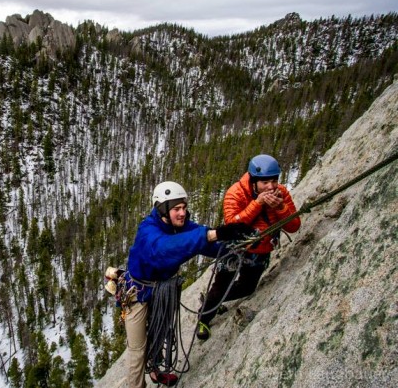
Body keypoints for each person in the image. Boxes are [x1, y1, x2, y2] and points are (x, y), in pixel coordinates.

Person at [124, 181, 254, 387]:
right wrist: (213, 233)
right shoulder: (147, 231)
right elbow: (164, 250)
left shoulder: (181, 226)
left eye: (184, 207)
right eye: (177, 209)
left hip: (163, 290)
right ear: (163, 210)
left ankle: (156, 370)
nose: (182, 213)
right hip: (138, 294)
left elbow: (206, 242)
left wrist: (235, 244)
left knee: (160, 331)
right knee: (138, 347)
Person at [196, 154, 301, 341]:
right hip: (234, 247)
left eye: (274, 181)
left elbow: (294, 226)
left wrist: (281, 208)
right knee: (220, 287)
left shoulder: (281, 194)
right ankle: (204, 317)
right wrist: (258, 204)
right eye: (265, 183)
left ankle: (213, 301)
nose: (270, 187)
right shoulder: (235, 193)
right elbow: (231, 225)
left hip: (260, 249)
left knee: (247, 288)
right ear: (253, 181)